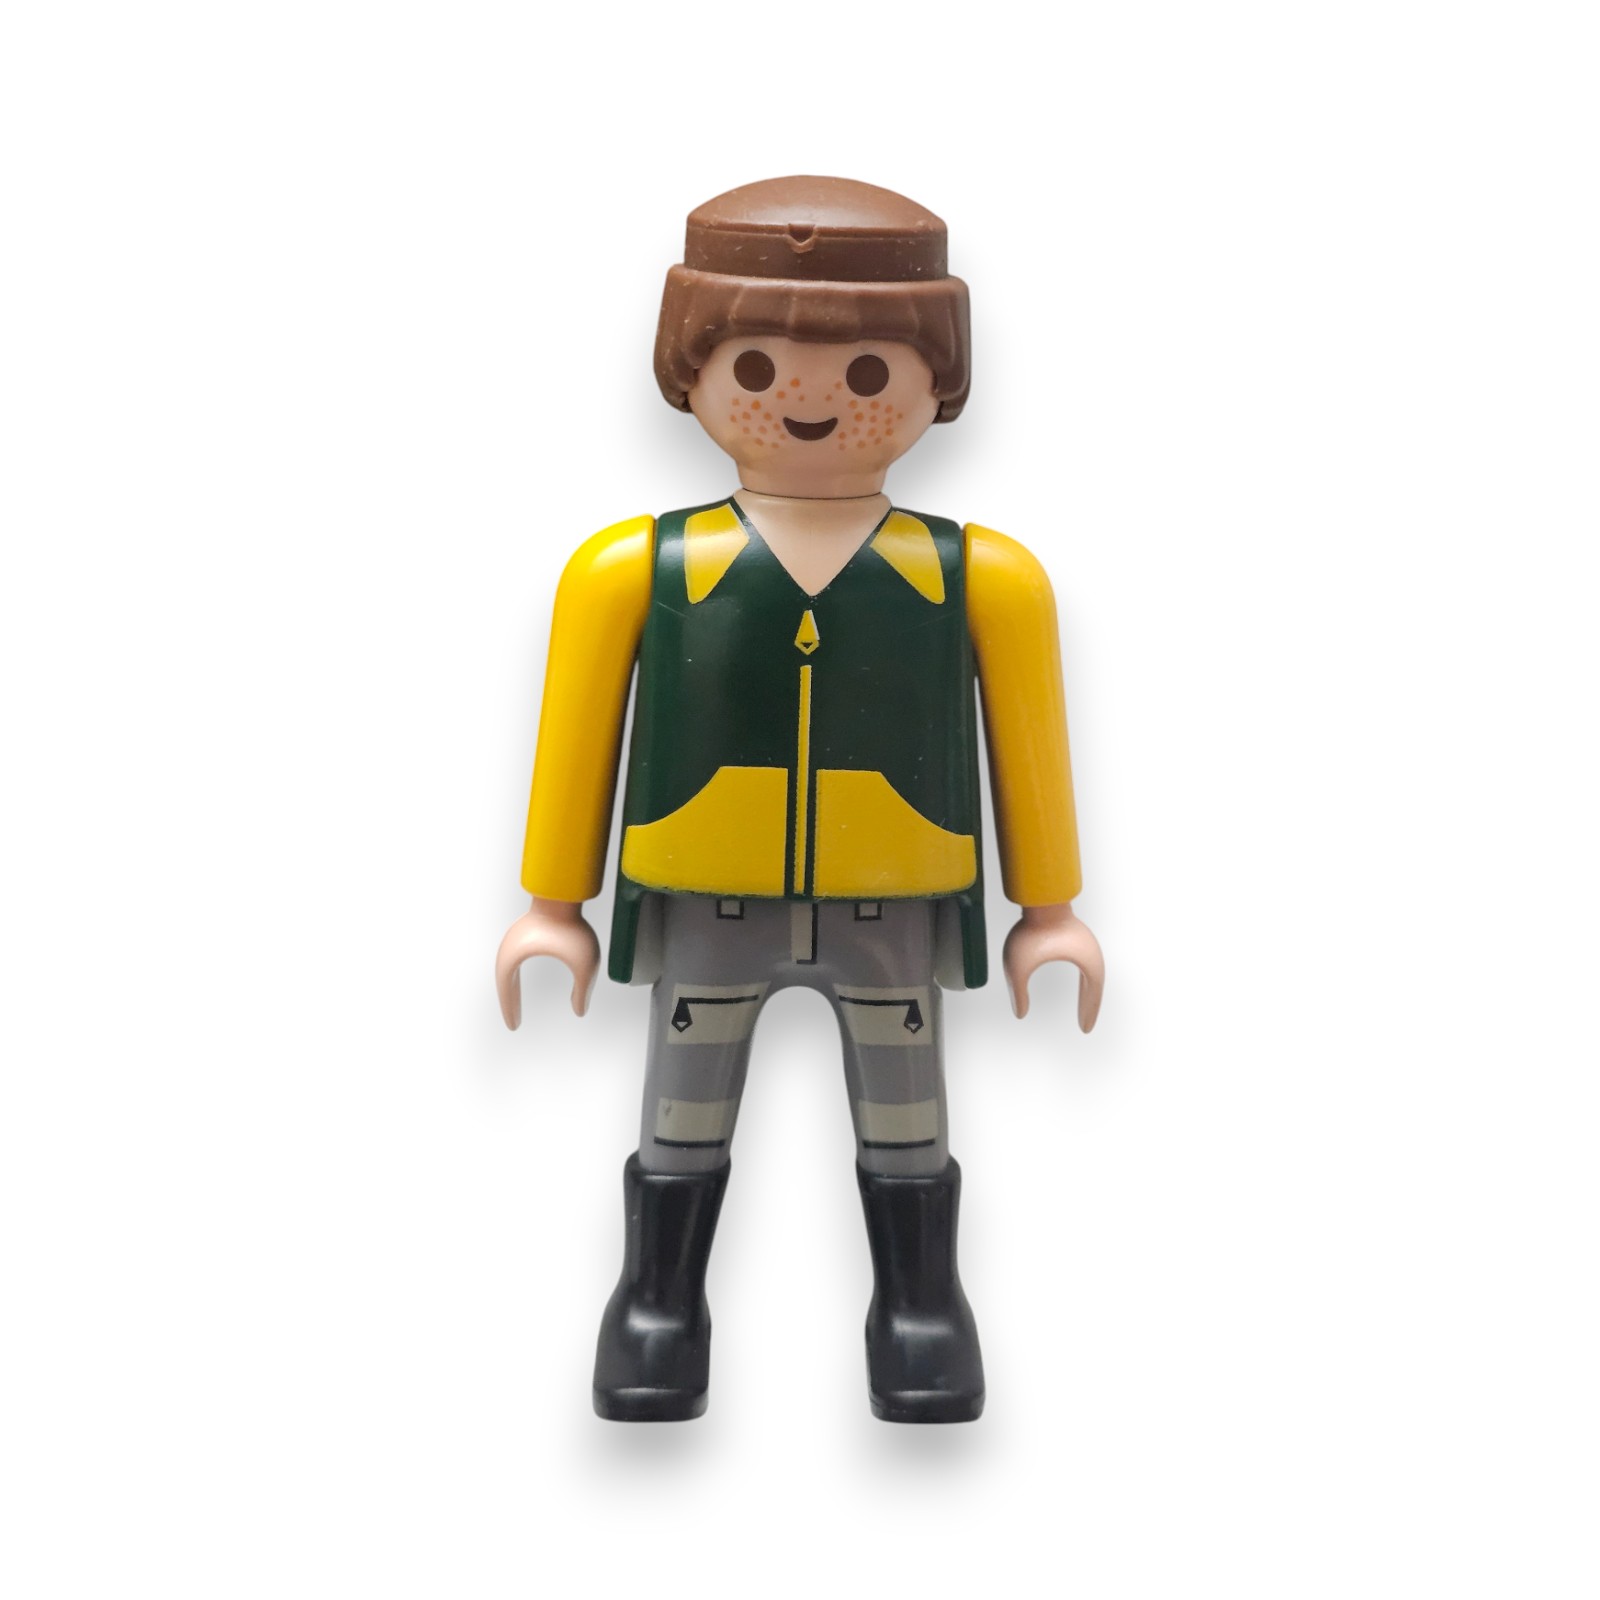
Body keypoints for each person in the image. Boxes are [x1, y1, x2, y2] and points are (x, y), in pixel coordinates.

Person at [495, 175, 1104, 1423]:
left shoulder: (983, 576)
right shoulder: (633, 568)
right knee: (681, 1115)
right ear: (689, 371)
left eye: (869, 372)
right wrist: (552, 902)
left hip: (895, 904)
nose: (811, 400)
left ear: (939, 381)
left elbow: (1029, 740)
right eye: (758, 366)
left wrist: (1049, 909)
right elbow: (577, 734)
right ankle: (657, 1300)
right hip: (704, 897)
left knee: (907, 1123)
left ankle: (919, 1305)